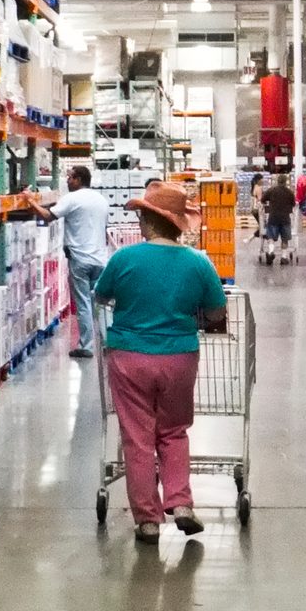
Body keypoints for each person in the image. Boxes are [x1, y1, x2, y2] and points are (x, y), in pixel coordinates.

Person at [92, 182, 227, 544]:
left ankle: (148, 520)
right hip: (179, 358)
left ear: (148, 220)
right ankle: (180, 503)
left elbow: (101, 295)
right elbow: (216, 311)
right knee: (173, 431)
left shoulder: (124, 258)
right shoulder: (198, 262)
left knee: (137, 438)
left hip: (129, 356)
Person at [26, 165, 111, 360]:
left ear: (79, 179)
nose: (67, 180)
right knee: (100, 303)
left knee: (83, 305)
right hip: (100, 258)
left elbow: (47, 216)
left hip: (80, 259)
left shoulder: (72, 198)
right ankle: (107, 343)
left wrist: (30, 201)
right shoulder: (101, 200)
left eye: (70, 177)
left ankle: (86, 346)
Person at [258, 174, 296, 265]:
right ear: (286, 181)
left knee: (271, 237)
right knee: (285, 239)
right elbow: (293, 204)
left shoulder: (272, 190)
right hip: (285, 219)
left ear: (277, 181)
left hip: (273, 218)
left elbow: (262, 200)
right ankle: (283, 257)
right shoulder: (289, 192)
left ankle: (271, 252)